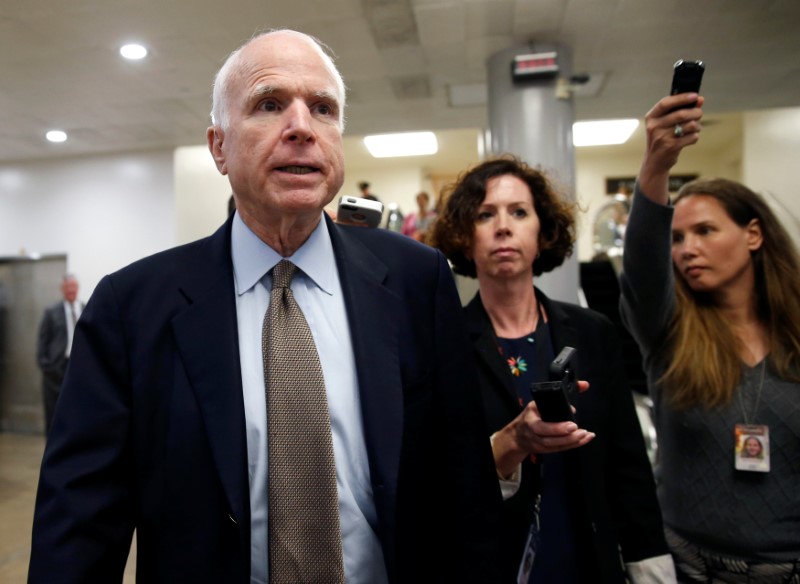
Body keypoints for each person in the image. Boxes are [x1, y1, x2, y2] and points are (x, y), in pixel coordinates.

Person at [28, 30, 502, 584]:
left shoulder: (417, 282)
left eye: (322, 109)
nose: (301, 126)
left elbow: (466, 489)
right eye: (269, 104)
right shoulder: (130, 308)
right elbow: (79, 527)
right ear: (218, 146)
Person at [429, 155, 674, 583]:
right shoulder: (441, 344)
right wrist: (511, 443)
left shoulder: (591, 332)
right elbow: (440, 479)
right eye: (485, 215)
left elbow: (628, 465)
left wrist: (650, 565)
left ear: (542, 235)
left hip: (587, 560)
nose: (503, 226)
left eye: (519, 212)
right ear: (465, 239)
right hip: (490, 564)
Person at [619, 92, 800, 581]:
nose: (687, 250)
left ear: (754, 235)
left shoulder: (795, 338)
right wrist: (656, 164)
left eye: (704, 231)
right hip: (688, 567)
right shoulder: (671, 333)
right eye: (677, 238)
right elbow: (642, 268)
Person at [35, 274, 82, 435]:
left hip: (79, 368)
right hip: (56, 369)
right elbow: (42, 342)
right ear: (62, 289)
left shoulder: (87, 308)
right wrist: (46, 366)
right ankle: (52, 449)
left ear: (78, 288)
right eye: (67, 287)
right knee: (53, 413)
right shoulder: (51, 312)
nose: (71, 290)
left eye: (73, 286)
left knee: (77, 409)